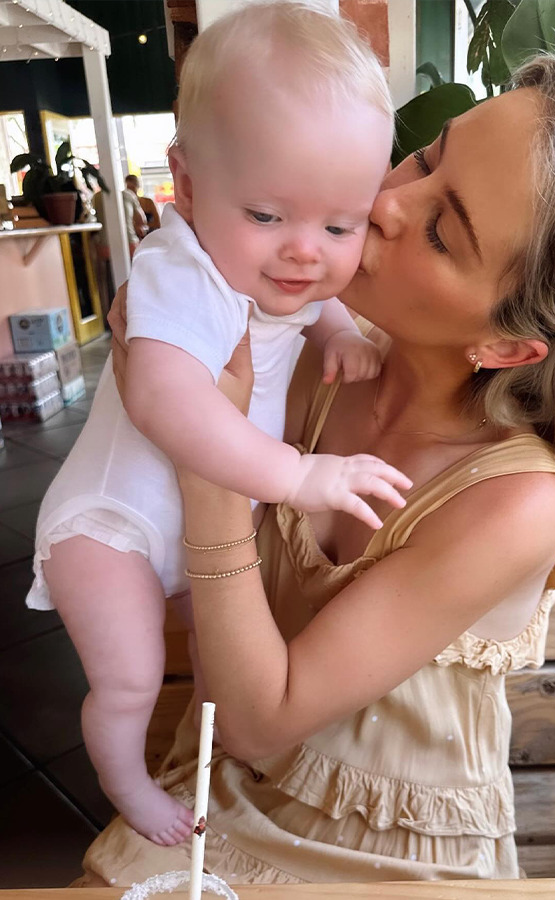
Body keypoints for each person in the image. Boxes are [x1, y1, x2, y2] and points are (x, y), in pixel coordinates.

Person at [77, 34, 555, 885]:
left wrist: (210, 468)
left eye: (442, 230)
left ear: (508, 345)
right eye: (422, 157)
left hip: (389, 849)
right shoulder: (320, 352)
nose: (386, 202)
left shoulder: (518, 501)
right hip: (215, 787)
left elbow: (266, 720)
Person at [28, 2, 409, 848]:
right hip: (113, 530)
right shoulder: (180, 269)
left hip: (196, 526)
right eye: (268, 216)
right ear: (189, 187)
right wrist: (298, 476)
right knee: (129, 679)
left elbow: (308, 308)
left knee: (220, 654)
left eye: (338, 225)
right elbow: (163, 398)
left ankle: (209, 755)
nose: (305, 253)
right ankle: (124, 781)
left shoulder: (278, 270)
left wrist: (339, 330)